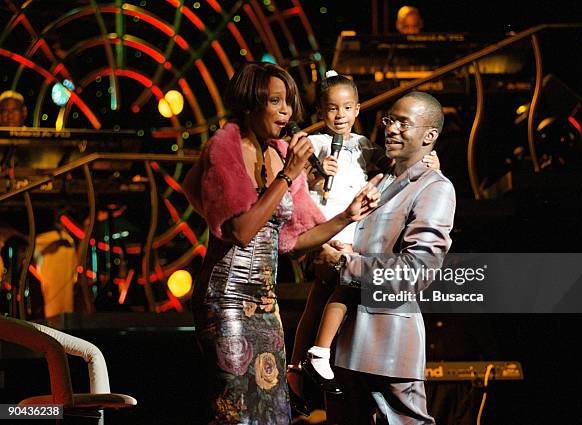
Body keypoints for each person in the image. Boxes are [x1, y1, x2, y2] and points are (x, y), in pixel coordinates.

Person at [181, 62, 382, 424]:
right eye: (276, 100)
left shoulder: (279, 153)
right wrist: (289, 175)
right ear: (249, 103)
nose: (286, 110)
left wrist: (347, 216)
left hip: (265, 300)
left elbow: (294, 241)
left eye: (289, 101)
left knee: (273, 410)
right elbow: (241, 232)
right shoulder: (227, 147)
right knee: (238, 410)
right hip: (226, 298)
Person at [289, 71, 439, 400]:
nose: (339, 115)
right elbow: (292, 186)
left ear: (357, 110)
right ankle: (316, 355)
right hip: (326, 226)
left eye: (346, 108)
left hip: (352, 230)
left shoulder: (363, 146)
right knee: (337, 291)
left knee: (325, 296)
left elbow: (393, 167)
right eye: (331, 109)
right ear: (320, 111)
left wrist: (430, 163)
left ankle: (301, 366)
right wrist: (315, 175)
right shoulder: (314, 145)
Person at [322, 91, 456, 424]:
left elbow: (415, 272)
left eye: (403, 123)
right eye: (388, 120)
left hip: (389, 345)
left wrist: (344, 264)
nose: (391, 129)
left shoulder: (435, 188)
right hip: (347, 342)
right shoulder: (379, 182)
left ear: (429, 136)